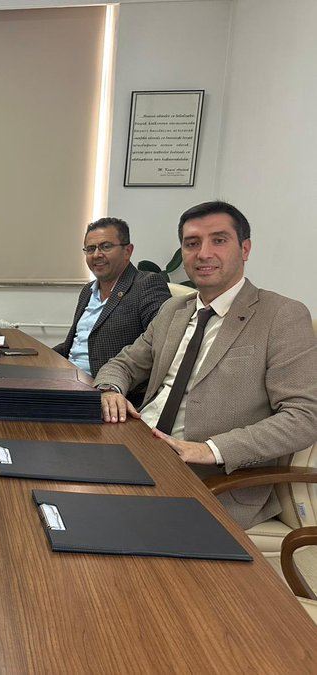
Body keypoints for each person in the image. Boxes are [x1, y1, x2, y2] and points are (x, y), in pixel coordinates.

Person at [95, 201, 317, 530]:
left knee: (98, 525)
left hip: (208, 479)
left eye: (219, 240)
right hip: (137, 449)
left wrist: (211, 450)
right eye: (192, 243)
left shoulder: (281, 316)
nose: (203, 253)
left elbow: (303, 417)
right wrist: (110, 389)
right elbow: (125, 362)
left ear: (245, 249)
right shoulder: (173, 310)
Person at [53, 217, 170, 395]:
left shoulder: (146, 284)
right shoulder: (87, 291)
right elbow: (76, 344)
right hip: (67, 380)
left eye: (106, 247)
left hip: (108, 390)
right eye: (90, 249)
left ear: (127, 251)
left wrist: (111, 384)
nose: (96, 255)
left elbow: (161, 344)